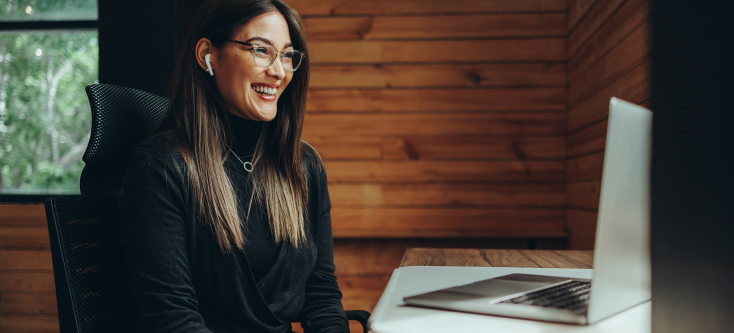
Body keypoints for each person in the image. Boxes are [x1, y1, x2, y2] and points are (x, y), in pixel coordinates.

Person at [118, 0, 350, 332]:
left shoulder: (303, 165)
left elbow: (321, 297)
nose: (279, 71)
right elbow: (172, 319)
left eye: (287, 55)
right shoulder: (162, 167)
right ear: (207, 55)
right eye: (261, 50)